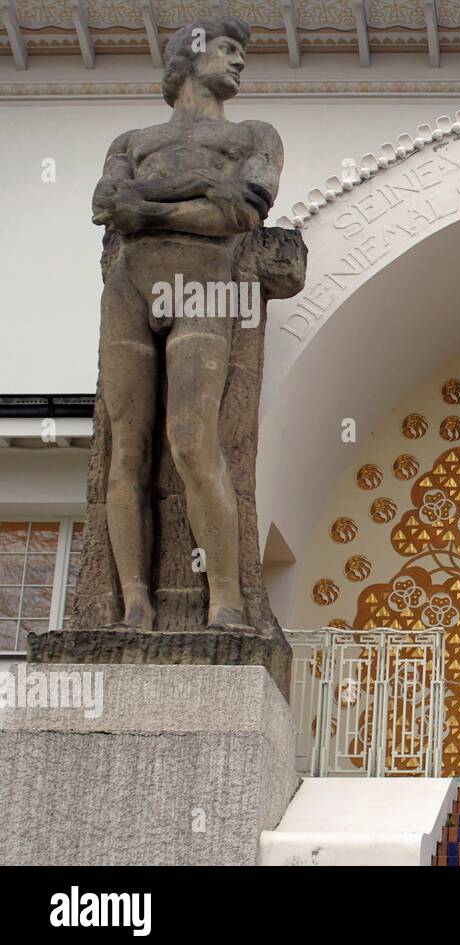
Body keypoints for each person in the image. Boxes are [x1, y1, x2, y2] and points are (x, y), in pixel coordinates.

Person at [90, 17, 282, 629]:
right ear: (191, 57)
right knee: (129, 448)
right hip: (129, 287)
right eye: (228, 50)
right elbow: (105, 207)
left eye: (241, 52)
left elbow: (241, 213)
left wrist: (146, 207)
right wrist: (201, 184)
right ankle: (134, 598)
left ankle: (224, 597)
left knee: (194, 441)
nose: (240, 62)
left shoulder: (255, 134)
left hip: (205, 283)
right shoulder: (131, 140)